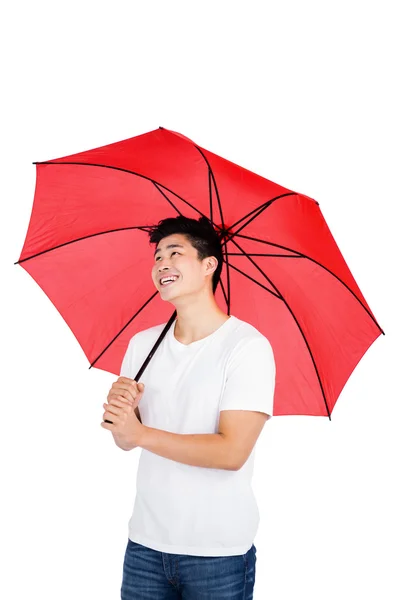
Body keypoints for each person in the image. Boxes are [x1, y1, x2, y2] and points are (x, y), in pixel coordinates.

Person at [103, 215, 276, 599]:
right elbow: (127, 442)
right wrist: (121, 418)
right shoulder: (142, 345)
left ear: (209, 264)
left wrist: (141, 433)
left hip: (217, 554)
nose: (161, 264)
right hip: (145, 544)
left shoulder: (247, 348)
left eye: (175, 253)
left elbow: (231, 452)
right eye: (158, 256)